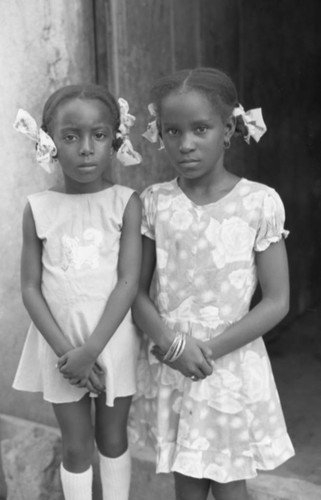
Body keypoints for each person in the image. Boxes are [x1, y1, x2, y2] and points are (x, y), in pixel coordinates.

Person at [130, 68, 295, 500]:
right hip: (173, 359)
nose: (185, 144)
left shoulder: (259, 202)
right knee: (186, 482)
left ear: (228, 130)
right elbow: (135, 289)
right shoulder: (154, 203)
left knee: (229, 483)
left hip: (230, 363)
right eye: (172, 131)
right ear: (159, 134)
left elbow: (276, 301)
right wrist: (173, 346)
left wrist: (206, 352)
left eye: (200, 129)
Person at [12, 84, 142, 500]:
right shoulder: (38, 207)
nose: (86, 148)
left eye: (99, 135)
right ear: (49, 144)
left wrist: (93, 350)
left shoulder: (125, 202)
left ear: (115, 141)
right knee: (76, 444)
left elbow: (128, 281)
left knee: (113, 438)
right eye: (70, 137)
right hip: (60, 350)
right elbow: (30, 288)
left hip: (112, 341)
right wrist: (71, 354)